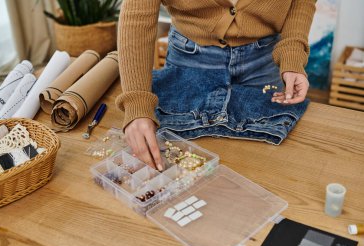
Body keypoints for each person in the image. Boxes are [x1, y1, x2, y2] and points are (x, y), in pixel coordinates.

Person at [115, 0, 316, 171]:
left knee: (261, 162)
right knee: (178, 159)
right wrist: (137, 102)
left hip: (265, 61)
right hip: (189, 58)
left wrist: (292, 50)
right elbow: (137, 14)